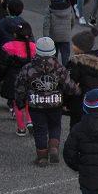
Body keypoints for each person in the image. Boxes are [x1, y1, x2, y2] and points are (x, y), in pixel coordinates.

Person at [14, 37, 78, 166]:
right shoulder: (59, 68)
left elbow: (20, 87)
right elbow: (68, 87)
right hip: (55, 103)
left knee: (40, 129)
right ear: (53, 51)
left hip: (36, 105)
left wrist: (20, 102)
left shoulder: (28, 68)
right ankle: (54, 147)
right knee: (55, 126)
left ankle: (42, 156)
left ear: (36, 51)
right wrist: (76, 90)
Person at [65, 28, 98, 129]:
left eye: (74, 44)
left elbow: (69, 84)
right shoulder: (97, 63)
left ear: (80, 48)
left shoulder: (75, 64)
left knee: (76, 129)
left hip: (79, 104)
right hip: (97, 102)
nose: (72, 46)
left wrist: (65, 102)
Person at [0, 23, 36, 137]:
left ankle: (21, 128)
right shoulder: (34, 47)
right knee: (29, 102)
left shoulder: (8, 46)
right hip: (30, 79)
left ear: (14, 34)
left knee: (17, 103)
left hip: (14, 78)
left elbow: (2, 65)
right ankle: (30, 121)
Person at [43, 0, 74, 65]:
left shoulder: (49, 9)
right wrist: (68, 30)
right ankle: (66, 71)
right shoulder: (69, 7)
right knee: (65, 55)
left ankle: (54, 70)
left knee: (53, 56)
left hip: (54, 36)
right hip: (65, 36)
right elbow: (72, 21)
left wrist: (46, 38)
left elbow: (46, 25)